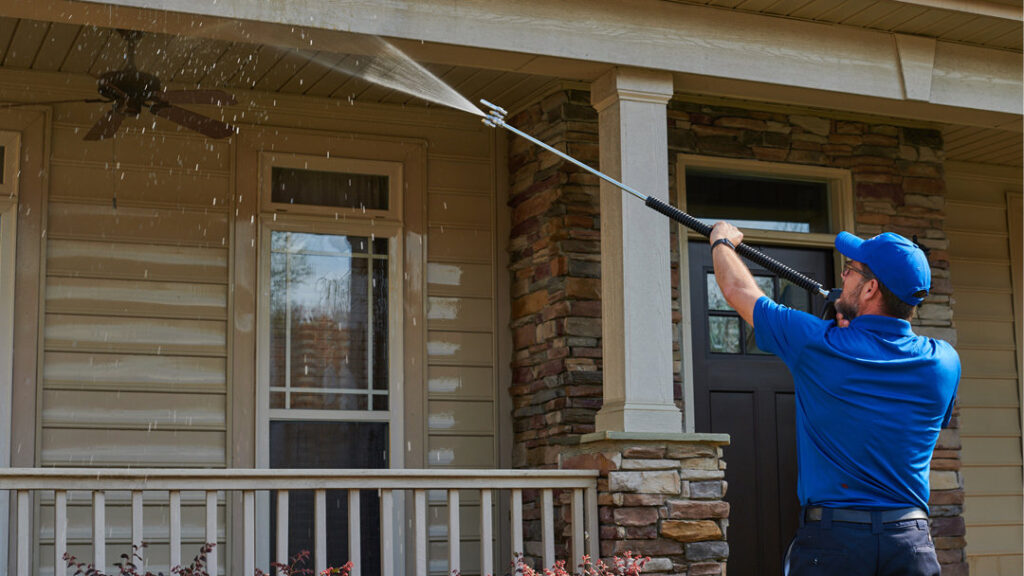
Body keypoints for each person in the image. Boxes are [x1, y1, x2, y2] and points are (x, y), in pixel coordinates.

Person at [708, 222, 960, 576]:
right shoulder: (944, 362)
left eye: (852, 270)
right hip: (910, 543)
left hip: (834, 545)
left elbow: (735, 287)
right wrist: (855, 325)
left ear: (871, 288)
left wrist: (721, 240)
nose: (843, 274)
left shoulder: (817, 343)